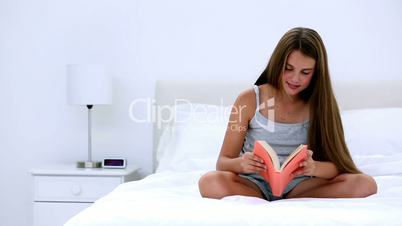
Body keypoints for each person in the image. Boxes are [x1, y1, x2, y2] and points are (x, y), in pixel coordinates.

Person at [198, 27, 377, 201]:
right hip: (253, 184)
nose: (295, 78)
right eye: (288, 68)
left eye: (305, 72)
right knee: (209, 182)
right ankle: (263, 198)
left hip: (301, 187)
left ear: (316, 73)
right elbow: (223, 162)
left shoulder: (320, 105)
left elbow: (337, 167)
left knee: (365, 184)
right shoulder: (249, 99)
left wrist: (314, 168)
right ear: (278, 64)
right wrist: (241, 164)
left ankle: (292, 198)